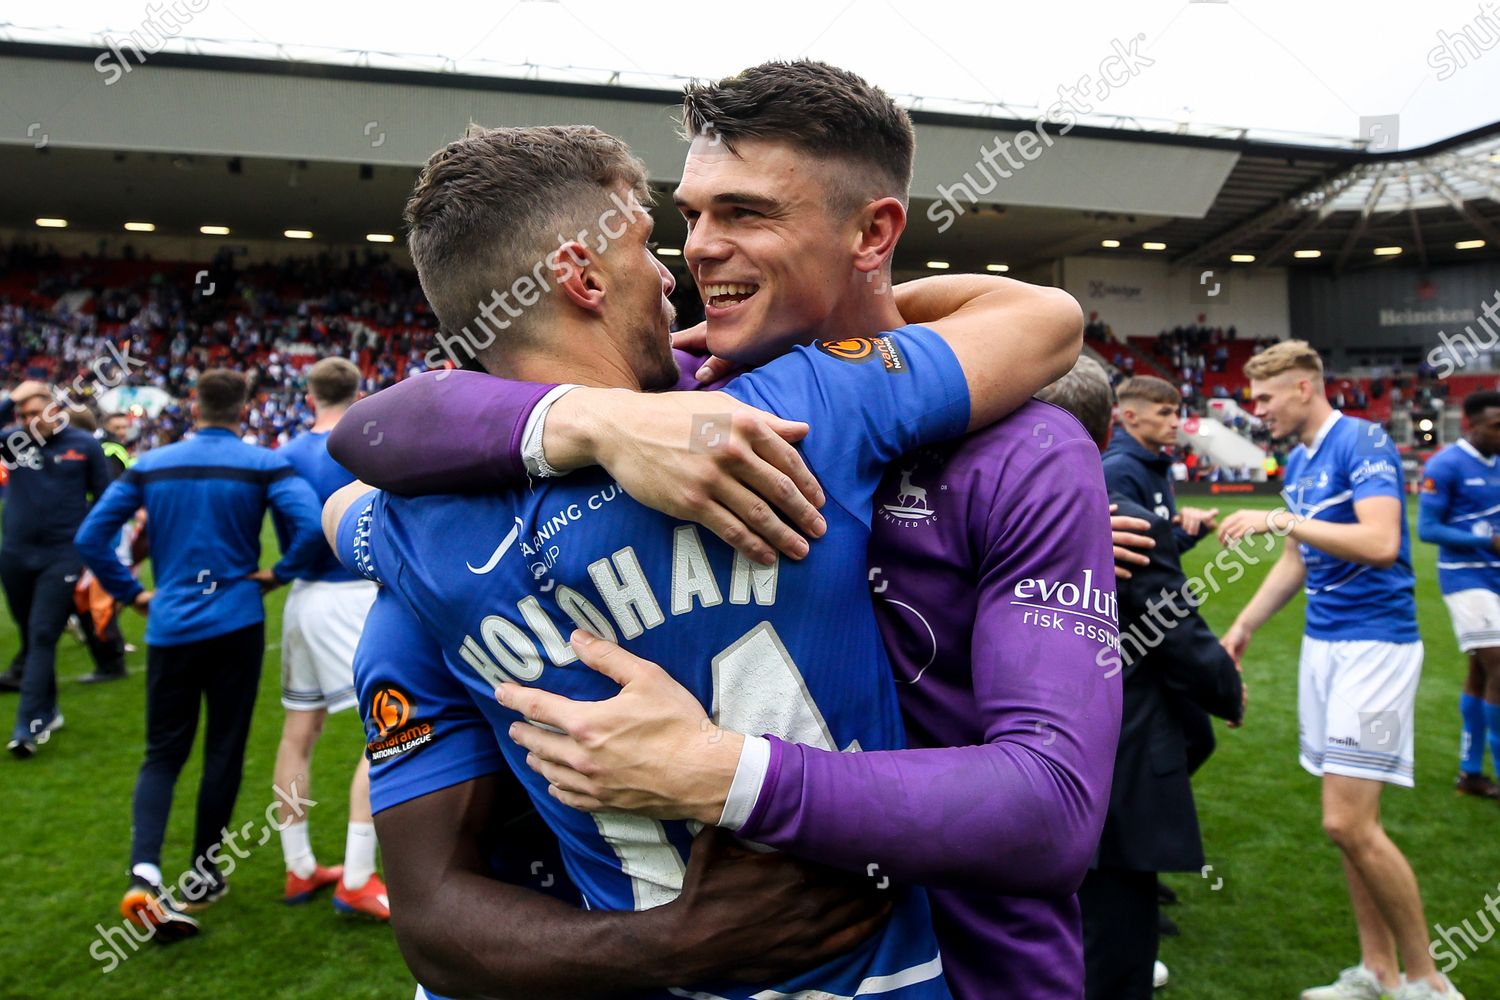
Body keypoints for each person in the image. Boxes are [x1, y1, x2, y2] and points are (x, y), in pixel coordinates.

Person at [330, 61, 1125, 1000]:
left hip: (983, 965)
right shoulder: (742, 407)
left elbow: (1053, 810)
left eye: (743, 214)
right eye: (688, 216)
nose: (693, 252)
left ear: (873, 231)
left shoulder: (1018, 450)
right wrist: (596, 420)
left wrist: (716, 773)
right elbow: (376, 441)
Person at [1217, 341, 1461, 1000]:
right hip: (1325, 648)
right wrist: (1242, 628)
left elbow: (1382, 543)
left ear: (1303, 388)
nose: (1256, 410)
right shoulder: (1299, 460)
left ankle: (1428, 981)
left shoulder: (1365, 442)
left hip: (1377, 651)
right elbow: (1298, 560)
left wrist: (1280, 518)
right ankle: (1377, 971)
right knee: (1356, 827)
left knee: (1347, 823)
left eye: (1264, 398)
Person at [75, 369, 326, 942]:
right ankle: (204, 874)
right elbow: (311, 524)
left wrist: (133, 594)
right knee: (223, 750)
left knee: (162, 752)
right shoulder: (262, 462)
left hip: (170, 624)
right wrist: (277, 574)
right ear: (246, 407)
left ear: (193, 406)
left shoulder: (151, 463)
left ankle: (143, 873)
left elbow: (92, 536)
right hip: (235, 619)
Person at [1037, 358, 1244, 999]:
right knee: (1113, 936)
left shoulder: (966, 502)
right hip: (1114, 727)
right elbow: (1167, 614)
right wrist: (1225, 686)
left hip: (1002, 742)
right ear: (1106, 437)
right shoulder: (1113, 499)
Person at [270, 358, 388, 917]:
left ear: (309, 393)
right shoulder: (370, 439)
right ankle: (358, 876)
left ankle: (298, 867)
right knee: (390, 732)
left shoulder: (286, 453)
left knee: (299, 732)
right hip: (353, 594)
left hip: (302, 601)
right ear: (358, 389)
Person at [2, 380, 112, 755]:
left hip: (62, 556)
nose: (31, 420)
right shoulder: (14, 442)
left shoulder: (84, 445)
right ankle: (47, 710)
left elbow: (106, 500)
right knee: (32, 637)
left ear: (56, 410)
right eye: (25, 415)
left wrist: (91, 548)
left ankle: (26, 728)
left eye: (38, 412)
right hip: (15, 555)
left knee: (44, 633)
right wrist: (13, 398)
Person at [1418, 389, 1500, 800]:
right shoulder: (1445, 464)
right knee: (1499, 666)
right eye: (1495, 425)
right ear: (1471, 425)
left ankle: (1470, 774)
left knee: (1481, 673)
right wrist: (1486, 542)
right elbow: (1427, 529)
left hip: (1496, 577)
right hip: (1465, 579)